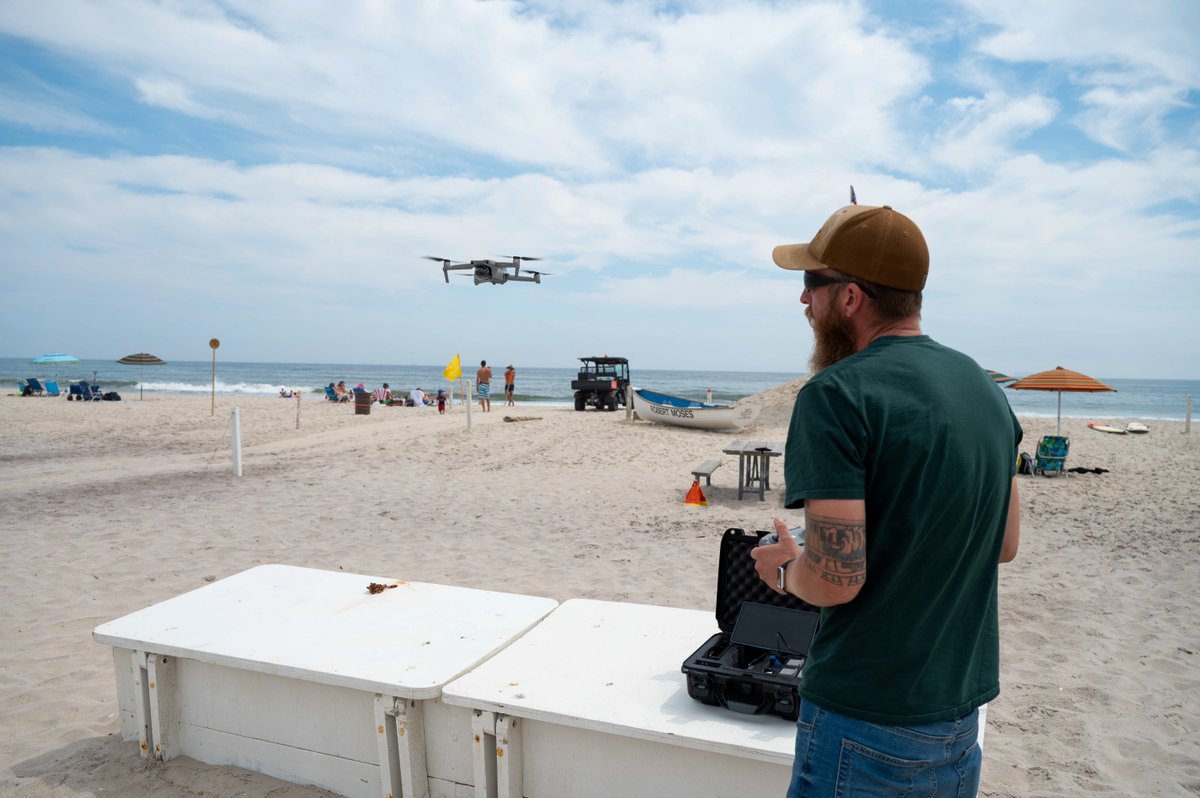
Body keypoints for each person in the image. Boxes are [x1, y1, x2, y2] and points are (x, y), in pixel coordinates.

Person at [750, 203, 1022, 798]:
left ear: (850, 298)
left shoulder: (836, 395)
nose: (803, 302)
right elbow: (1003, 544)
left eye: (810, 285)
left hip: (864, 714)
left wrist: (785, 571)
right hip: (955, 716)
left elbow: (836, 579)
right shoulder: (984, 388)